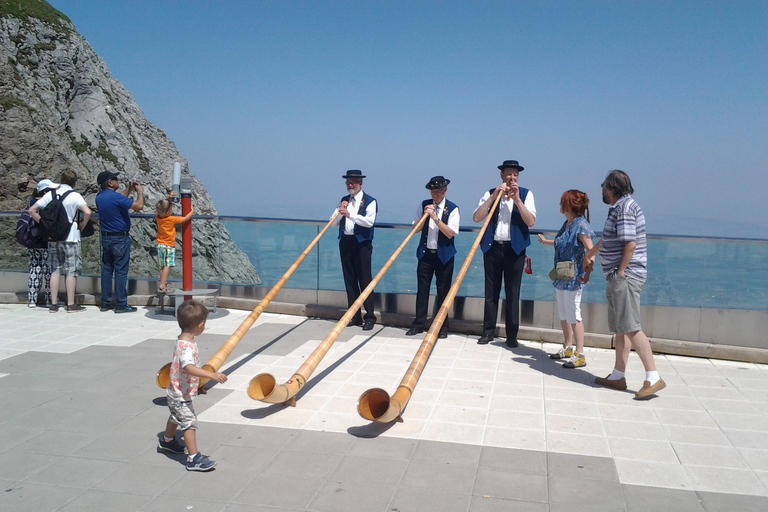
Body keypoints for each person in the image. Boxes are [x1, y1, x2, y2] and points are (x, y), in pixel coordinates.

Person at [584, 170, 665, 400]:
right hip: (620, 275)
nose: (601, 189)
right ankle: (618, 375)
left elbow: (630, 243)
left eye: (603, 185)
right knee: (622, 327)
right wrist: (590, 253)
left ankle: (653, 376)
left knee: (630, 325)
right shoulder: (620, 208)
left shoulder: (625, 208)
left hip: (625, 276)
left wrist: (620, 272)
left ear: (612, 187)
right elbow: (609, 240)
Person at [157, 299, 227, 471]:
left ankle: (167, 441)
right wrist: (212, 374)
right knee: (189, 422)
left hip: (175, 390)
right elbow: (188, 367)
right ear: (200, 325)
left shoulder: (181, 341)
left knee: (175, 416)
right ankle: (193, 458)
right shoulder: (187, 348)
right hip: (181, 394)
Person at [473, 160, 536, 347]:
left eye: (515, 174)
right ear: (501, 175)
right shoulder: (490, 192)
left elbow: (530, 221)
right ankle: (488, 332)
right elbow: (477, 217)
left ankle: (511, 335)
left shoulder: (526, 194)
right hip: (492, 247)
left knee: (512, 293)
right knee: (490, 292)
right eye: (509, 174)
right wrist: (493, 197)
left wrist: (517, 200)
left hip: (514, 249)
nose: (512, 178)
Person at [538, 189, 594, 368]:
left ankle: (580, 353)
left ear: (568, 205)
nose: (560, 205)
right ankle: (568, 346)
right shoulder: (567, 224)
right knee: (563, 313)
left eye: (562, 202)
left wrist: (587, 273)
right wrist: (545, 241)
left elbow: (590, 251)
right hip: (561, 275)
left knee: (574, 314)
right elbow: (560, 242)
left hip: (573, 278)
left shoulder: (581, 226)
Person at [28, 171, 92, 313]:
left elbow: (32, 210)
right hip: (71, 237)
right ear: (74, 183)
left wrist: (44, 225)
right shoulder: (75, 195)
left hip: (54, 237)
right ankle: (70, 304)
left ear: (60, 180)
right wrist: (81, 226)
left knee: (55, 270)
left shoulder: (50, 195)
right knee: (71, 271)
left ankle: (54, 304)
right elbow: (87, 212)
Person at [406, 176, 460, 339]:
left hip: (444, 255)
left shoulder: (453, 208)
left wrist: (436, 218)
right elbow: (415, 229)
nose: (434, 195)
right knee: (422, 290)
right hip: (425, 254)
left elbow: (450, 233)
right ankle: (418, 324)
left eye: (437, 192)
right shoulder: (424, 205)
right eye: (432, 192)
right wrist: (424, 216)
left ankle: (442, 326)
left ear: (445, 191)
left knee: (443, 291)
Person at [331, 170, 378, 330]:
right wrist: (340, 211)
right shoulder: (344, 200)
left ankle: (370, 317)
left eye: (353, 182)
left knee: (365, 279)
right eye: (348, 183)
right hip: (346, 242)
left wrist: (350, 215)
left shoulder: (370, 201)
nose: (350, 185)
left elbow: (369, 222)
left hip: (362, 244)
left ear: (360, 183)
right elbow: (333, 222)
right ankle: (354, 315)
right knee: (350, 280)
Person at [95, 171, 144, 313]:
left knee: (107, 270)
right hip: (120, 238)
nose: (117, 181)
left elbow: (119, 198)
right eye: (115, 179)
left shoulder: (100, 197)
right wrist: (139, 192)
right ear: (110, 183)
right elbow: (138, 206)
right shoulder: (115, 198)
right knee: (121, 271)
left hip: (105, 237)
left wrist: (129, 189)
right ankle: (121, 303)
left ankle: (105, 302)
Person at [25, 179, 56, 308]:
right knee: (49, 270)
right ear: (45, 191)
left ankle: (32, 299)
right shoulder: (46, 202)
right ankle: (50, 299)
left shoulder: (31, 202)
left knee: (35, 268)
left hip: (33, 240)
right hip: (46, 240)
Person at [155, 192, 194, 293]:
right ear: (168, 212)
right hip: (168, 245)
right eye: (171, 210)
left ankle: (163, 283)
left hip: (160, 244)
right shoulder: (171, 219)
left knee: (162, 265)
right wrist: (192, 211)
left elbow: (165, 209)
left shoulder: (158, 218)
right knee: (167, 265)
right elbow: (185, 218)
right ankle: (162, 286)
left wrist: (168, 199)